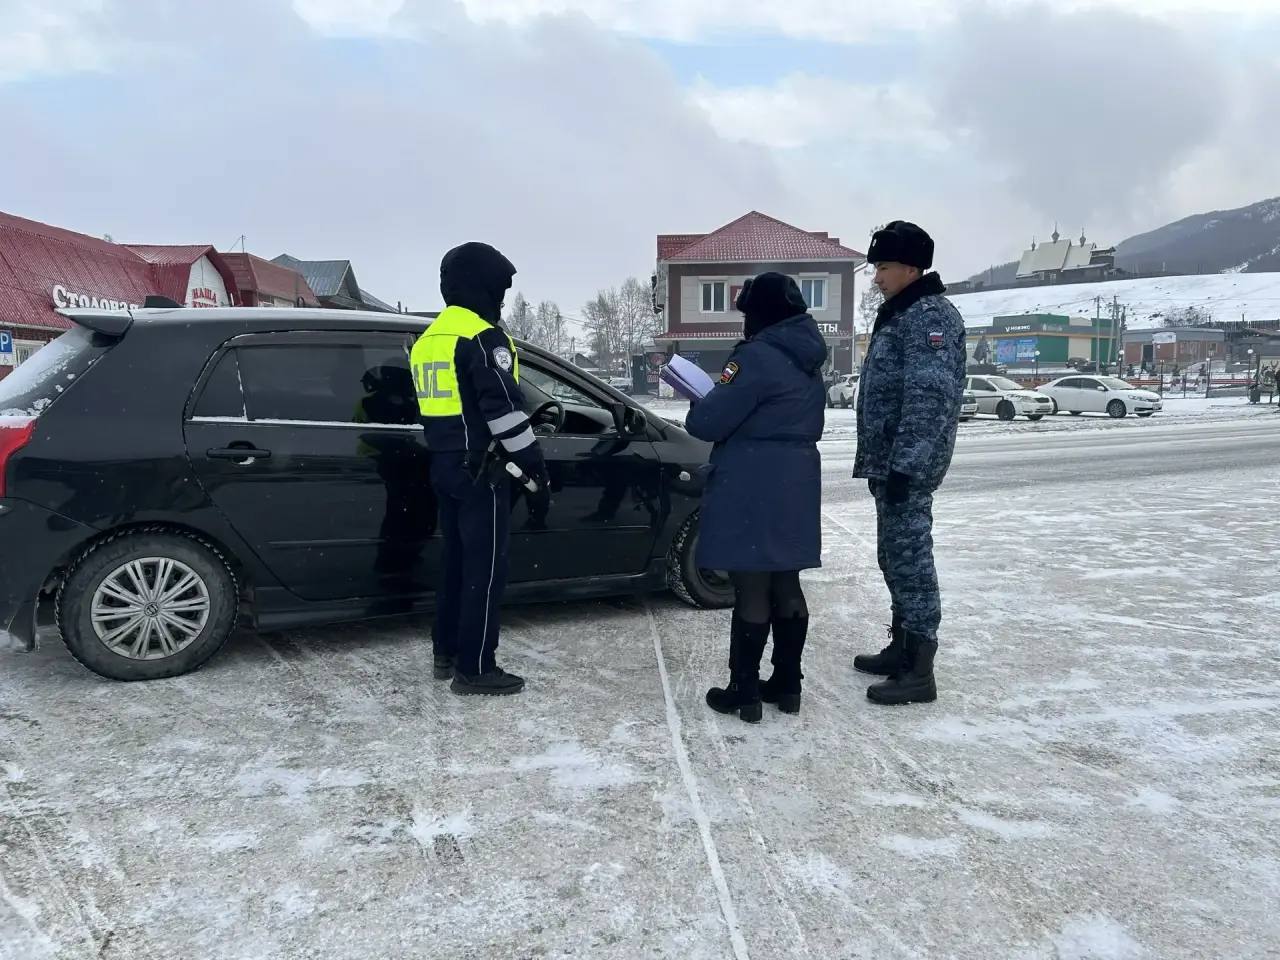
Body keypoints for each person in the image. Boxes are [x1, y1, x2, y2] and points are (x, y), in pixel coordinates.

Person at [684, 273, 827, 722]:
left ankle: (743, 690)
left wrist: (698, 401)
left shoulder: (756, 356)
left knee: (751, 583)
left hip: (752, 476)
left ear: (760, 314)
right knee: (785, 578)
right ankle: (787, 684)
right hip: (798, 475)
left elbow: (708, 423)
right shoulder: (808, 357)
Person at [411, 242, 550, 696]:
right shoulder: (481, 337)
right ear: (481, 286)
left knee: (454, 564)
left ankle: (446, 651)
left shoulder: (429, 338)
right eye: (500, 289)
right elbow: (504, 413)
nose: (503, 299)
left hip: (446, 466)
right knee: (486, 571)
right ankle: (476, 668)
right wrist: (536, 470)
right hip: (484, 472)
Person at [852, 221, 967, 706]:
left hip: (906, 467)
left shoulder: (929, 316)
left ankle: (919, 670)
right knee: (893, 557)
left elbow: (930, 396)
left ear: (911, 268)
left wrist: (906, 466)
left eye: (882, 267)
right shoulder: (904, 312)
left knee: (911, 562)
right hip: (891, 462)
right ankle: (901, 647)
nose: (876, 278)